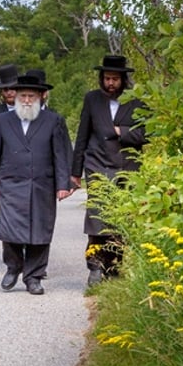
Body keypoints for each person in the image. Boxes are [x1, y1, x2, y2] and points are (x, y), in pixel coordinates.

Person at [0, 73, 73, 295]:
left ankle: (34, 277)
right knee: (9, 229)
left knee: (40, 231)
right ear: (15, 96)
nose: (26, 100)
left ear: (40, 97)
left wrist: (63, 184)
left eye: (31, 96)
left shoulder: (54, 120)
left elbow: (60, 155)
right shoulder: (3, 121)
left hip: (42, 185)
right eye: (23, 95)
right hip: (10, 185)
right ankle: (13, 266)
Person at [70, 54, 147, 286]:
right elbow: (82, 135)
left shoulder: (137, 100)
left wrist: (120, 131)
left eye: (115, 78)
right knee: (97, 215)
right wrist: (75, 172)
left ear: (123, 79)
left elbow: (147, 133)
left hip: (127, 168)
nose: (110, 83)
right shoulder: (92, 99)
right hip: (97, 165)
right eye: (107, 78)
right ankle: (94, 265)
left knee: (120, 219)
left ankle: (114, 266)